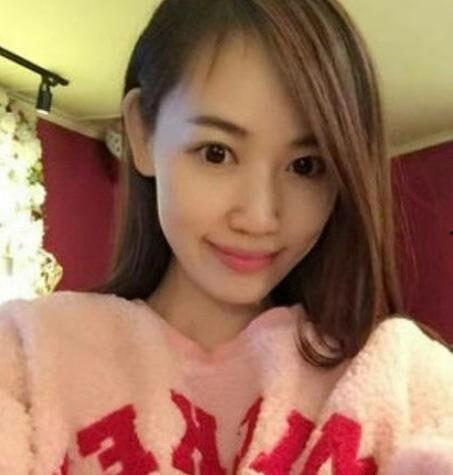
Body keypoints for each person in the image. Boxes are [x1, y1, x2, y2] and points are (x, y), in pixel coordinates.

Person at [1, 0, 452, 473]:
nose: (259, 217)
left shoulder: (399, 376)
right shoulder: (29, 356)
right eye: (216, 153)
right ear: (142, 133)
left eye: (306, 166)